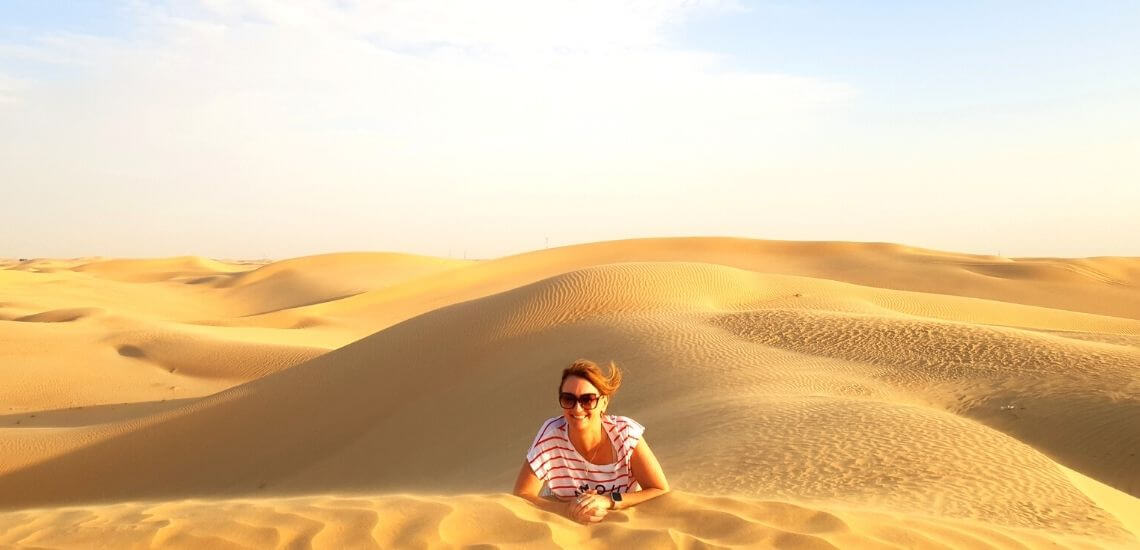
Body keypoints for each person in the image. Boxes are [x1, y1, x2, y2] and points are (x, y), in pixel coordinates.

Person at [513, 359, 670, 524]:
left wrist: (609, 500)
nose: (577, 408)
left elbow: (660, 490)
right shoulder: (551, 435)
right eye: (568, 399)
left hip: (624, 527)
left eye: (587, 399)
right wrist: (568, 510)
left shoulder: (625, 434)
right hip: (565, 529)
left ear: (603, 402)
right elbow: (521, 496)